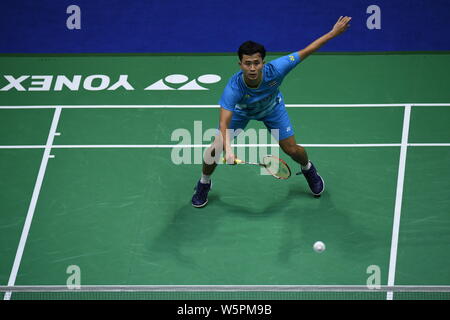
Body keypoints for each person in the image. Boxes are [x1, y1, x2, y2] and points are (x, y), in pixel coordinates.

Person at [192, 16, 352, 208]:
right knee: (214, 150)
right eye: (247, 63)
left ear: (263, 62)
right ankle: (204, 182)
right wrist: (229, 149)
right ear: (240, 64)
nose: (252, 68)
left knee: (292, 150)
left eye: (256, 63)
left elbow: (308, 50)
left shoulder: (277, 69)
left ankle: (308, 168)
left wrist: (333, 33)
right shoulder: (233, 88)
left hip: (272, 109)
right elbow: (223, 123)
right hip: (243, 113)